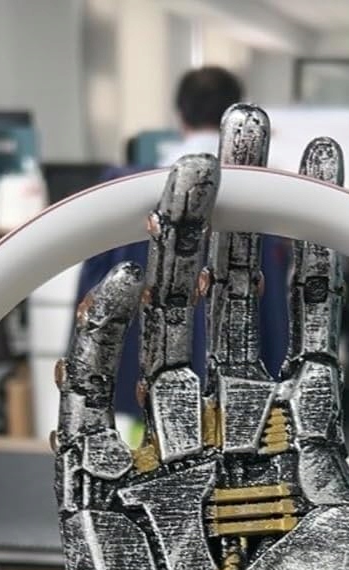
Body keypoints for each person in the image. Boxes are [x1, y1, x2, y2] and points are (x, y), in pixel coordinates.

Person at [73, 67, 289, 438]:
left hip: (150, 386)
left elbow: (95, 285)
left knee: (149, 442)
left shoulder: (128, 188)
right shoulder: (265, 194)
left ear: (180, 116)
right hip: (240, 399)